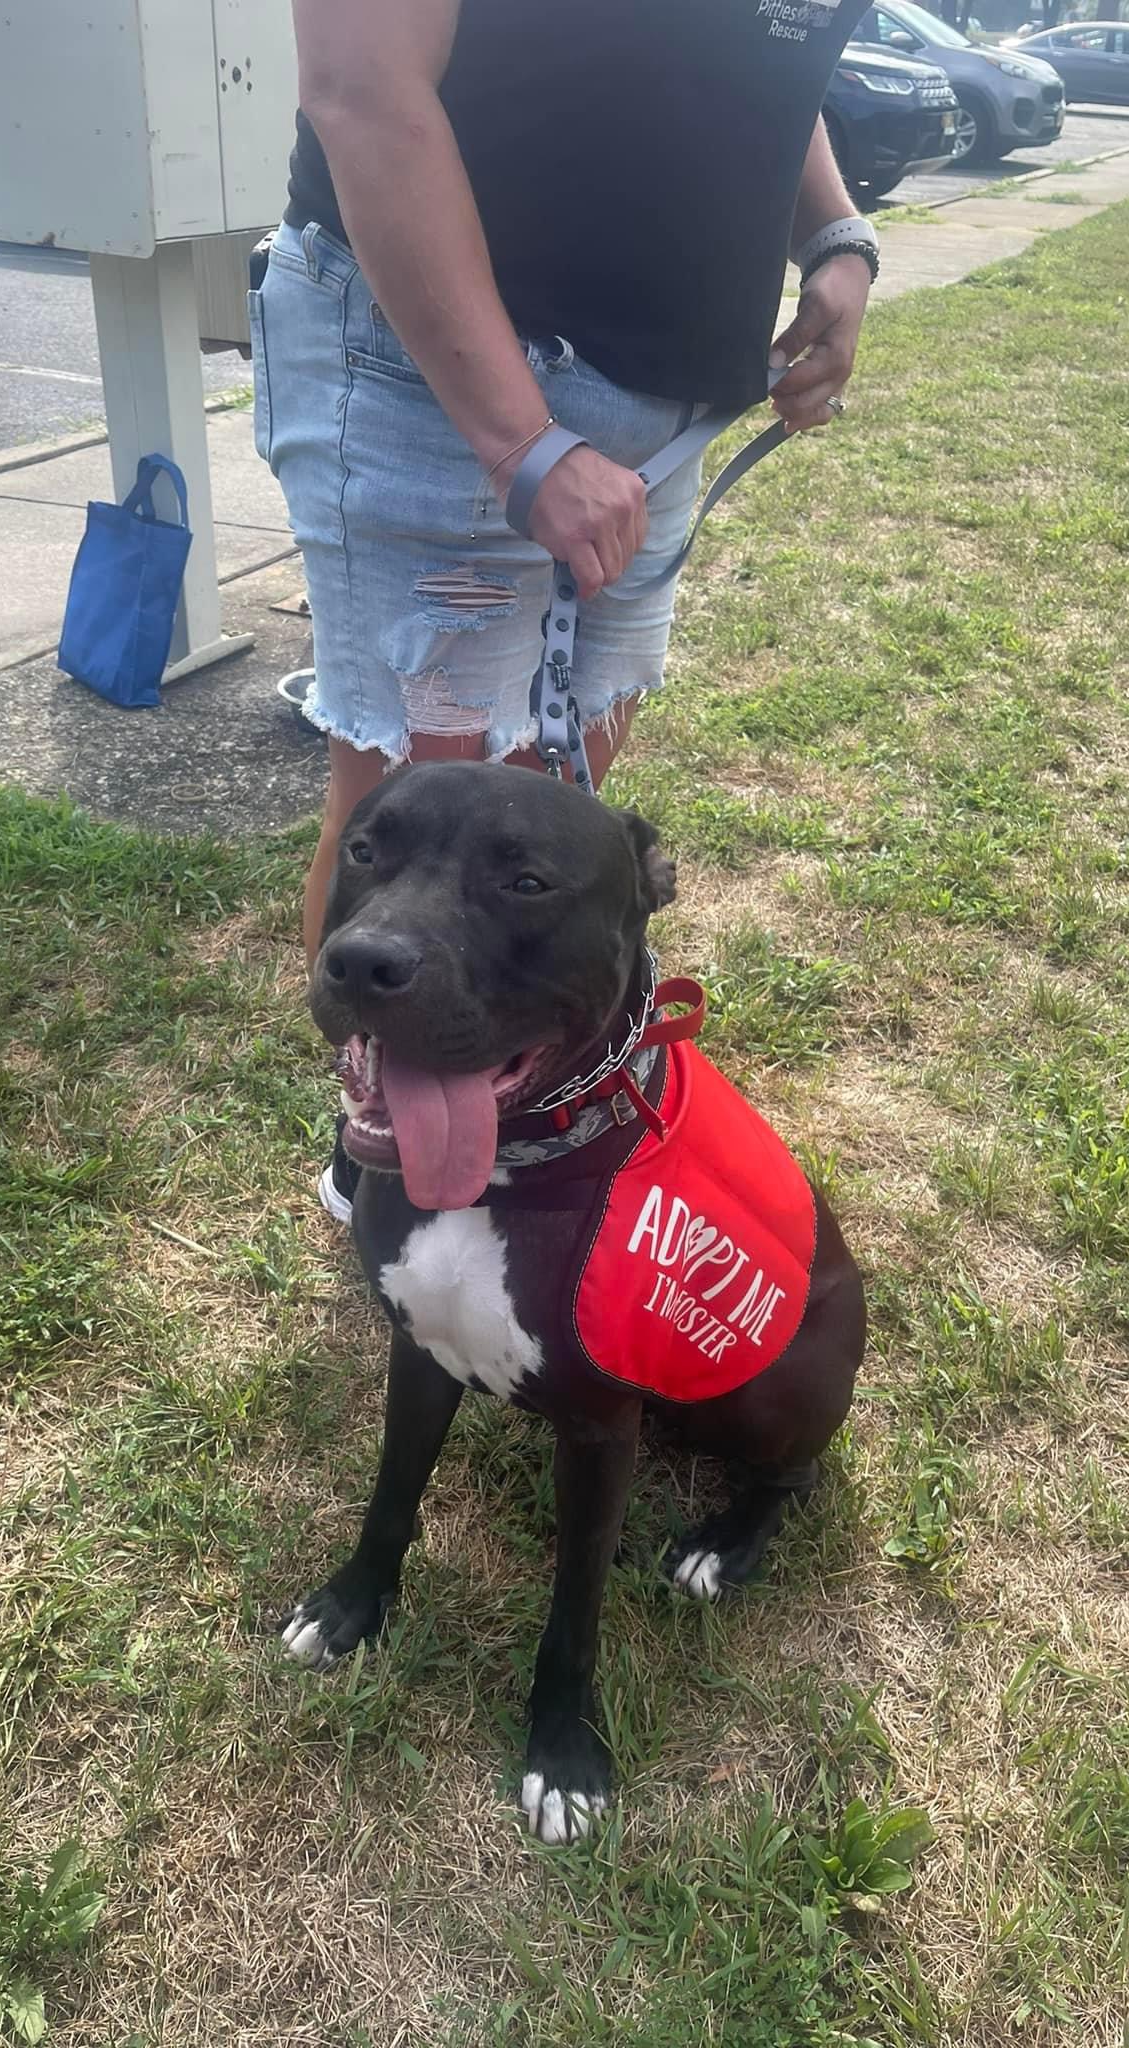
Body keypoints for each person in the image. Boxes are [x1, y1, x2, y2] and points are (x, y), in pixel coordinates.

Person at [253, 0, 879, 1217]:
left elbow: (769, 39)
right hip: (440, 369)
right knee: (425, 809)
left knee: (550, 817)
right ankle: (384, 1133)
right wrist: (521, 443)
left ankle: (511, 1104)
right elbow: (363, 84)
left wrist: (836, 233)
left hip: (670, 406)